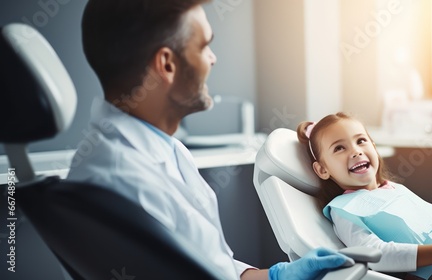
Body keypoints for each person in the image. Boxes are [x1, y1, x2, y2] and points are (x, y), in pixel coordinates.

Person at [67, 1, 354, 279]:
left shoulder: (161, 149)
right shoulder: (127, 182)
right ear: (166, 64)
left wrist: (275, 276)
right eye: (204, 46)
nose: (213, 59)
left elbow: (209, 266)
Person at [296, 112, 432, 279]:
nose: (356, 151)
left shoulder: (392, 188)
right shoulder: (343, 210)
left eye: (361, 141)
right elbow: (375, 254)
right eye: (339, 148)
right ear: (322, 169)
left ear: (374, 147)